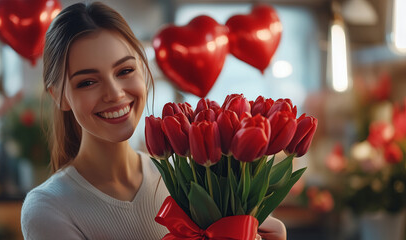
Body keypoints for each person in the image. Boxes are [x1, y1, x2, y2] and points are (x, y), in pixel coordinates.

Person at [21, 2, 287, 240]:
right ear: (59, 96)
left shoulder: (191, 180)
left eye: (125, 70)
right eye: (87, 82)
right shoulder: (47, 207)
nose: (114, 93)